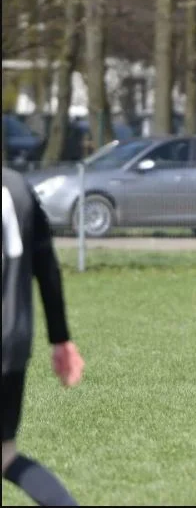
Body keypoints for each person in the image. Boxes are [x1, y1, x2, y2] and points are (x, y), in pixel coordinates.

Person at [3, 168, 85, 506]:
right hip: (12, 343)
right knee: (5, 455)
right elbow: (47, 266)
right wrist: (60, 339)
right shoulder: (18, 187)